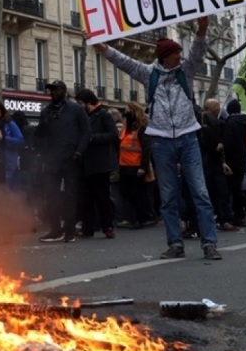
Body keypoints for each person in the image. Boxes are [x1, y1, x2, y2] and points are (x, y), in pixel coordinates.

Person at [91, 16, 222, 260]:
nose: (180, 57)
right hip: (161, 141)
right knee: (169, 195)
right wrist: (104, 48)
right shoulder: (149, 73)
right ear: (165, 56)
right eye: (176, 54)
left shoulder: (187, 70)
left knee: (200, 193)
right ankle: (175, 243)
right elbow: (124, 62)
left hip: (188, 138)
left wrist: (202, 29)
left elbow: (199, 50)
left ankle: (209, 243)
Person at [34, 80, 91, 243]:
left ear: (64, 91)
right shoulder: (46, 111)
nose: (53, 93)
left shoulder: (76, 109)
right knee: (51, 195)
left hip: (71, 157)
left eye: (56, 89)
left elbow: (86, 132)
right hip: (52, 159)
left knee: (70, 195)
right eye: (51, 90)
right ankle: (55, 229)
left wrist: (79, 151)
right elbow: (41, 135)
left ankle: (70, 230)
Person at [75, 89, 119, 238]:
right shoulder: (82, 117)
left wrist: (91, 138)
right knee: (86, 198)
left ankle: (107, 226)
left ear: (88, 102)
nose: (79, 106)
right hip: (85, 163)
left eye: (80, 103)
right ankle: (88, 227)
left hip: (100, 163)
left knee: (102, 197)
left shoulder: (103, 115)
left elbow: (113, 134)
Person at [200, 98, 236, 231]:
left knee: (216, 191)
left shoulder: (216, 122)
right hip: (210, 161)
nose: (219, 108)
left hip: (212, 161)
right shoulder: (208, 122)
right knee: (219, 191)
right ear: (211, 108)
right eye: (217, 106)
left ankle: (219, 217)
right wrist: (217, 146)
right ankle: (222, 218)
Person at [117, 102, 153, 229]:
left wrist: (143, 167)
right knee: (126, 192)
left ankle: (139, 219)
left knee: (136, 194)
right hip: (124, 165)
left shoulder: (141, 129)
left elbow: (147, 148)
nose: (125, 112)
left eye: (127, 110)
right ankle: (134, 218)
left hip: (136, 166)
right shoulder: (127, 129)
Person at [223, 99, 246, 227]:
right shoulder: (244, 122)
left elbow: (229, 143)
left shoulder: (230, 123)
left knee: (235, 189)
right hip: (242, 156)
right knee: (237, 187)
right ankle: (239, 216)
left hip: (233, 158)